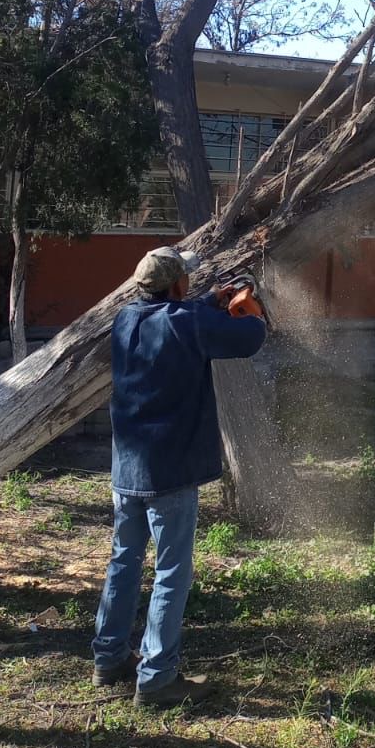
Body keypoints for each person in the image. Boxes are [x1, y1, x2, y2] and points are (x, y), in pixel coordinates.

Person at [91, 245, 266, 708]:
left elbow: (175, 317)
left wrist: (212, 300)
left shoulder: (127, 318)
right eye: (185, 278)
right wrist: (248, 308)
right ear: (174, 285)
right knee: (172, 572)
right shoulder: (187, 323)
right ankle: (157, 680)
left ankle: (109, 659)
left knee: (123, 562)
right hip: (169, 471)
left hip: (126, 468)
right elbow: (250, 338)